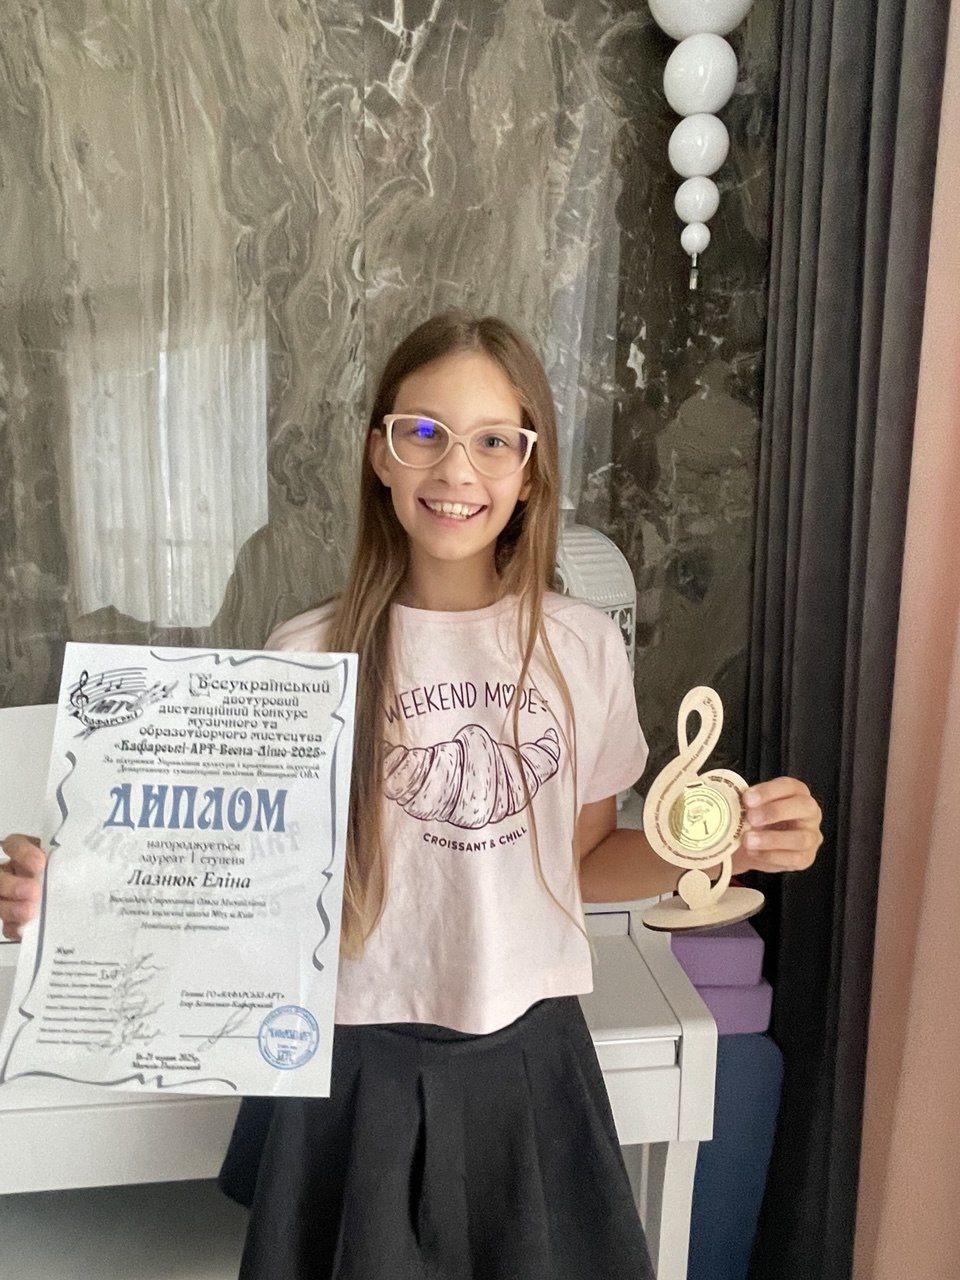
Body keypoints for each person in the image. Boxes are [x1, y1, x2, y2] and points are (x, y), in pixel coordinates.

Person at [0, 310, 824, 1279]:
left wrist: (722, 845)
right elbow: (243, 887)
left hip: (531, 1057)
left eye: (493, 440)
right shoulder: (306, 652)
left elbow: (587, 862)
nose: (455, 468)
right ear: (379, 454)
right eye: (423, 431)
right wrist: (78, 899)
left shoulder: (582, 645)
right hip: (354, 1063)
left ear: (531, 471)